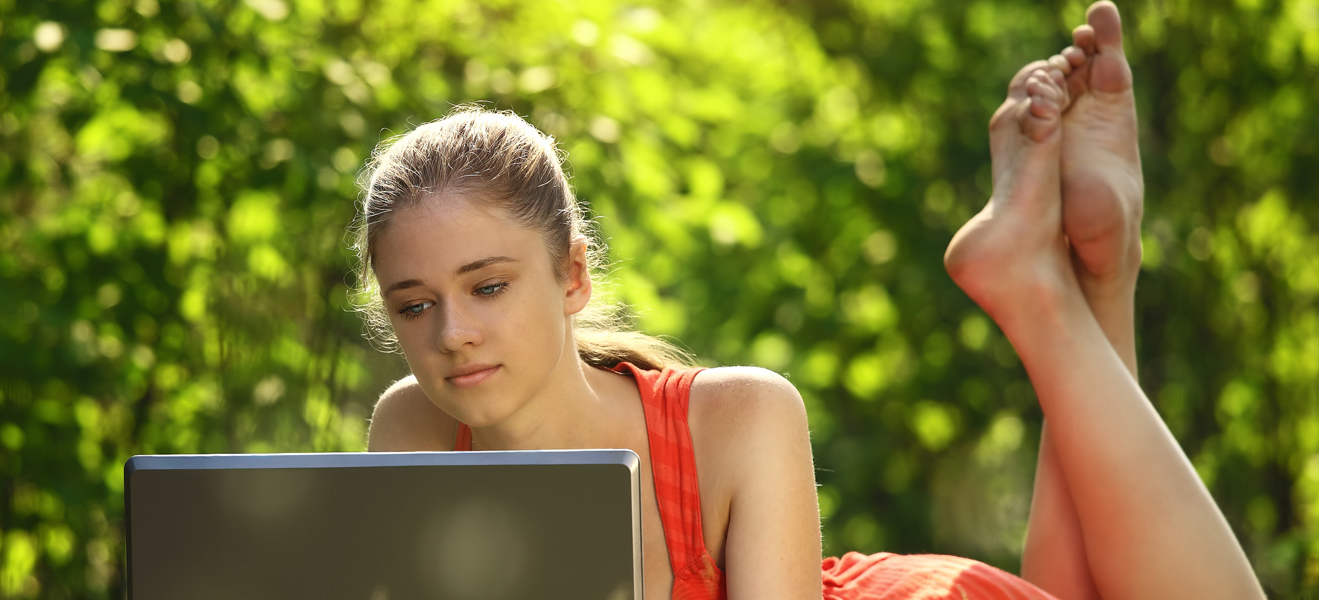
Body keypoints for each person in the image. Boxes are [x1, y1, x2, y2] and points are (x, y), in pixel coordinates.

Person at [358, 3, 1267, 598]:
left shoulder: (738, 415)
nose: (454, 334)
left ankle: (1050, 285)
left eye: (487, 285)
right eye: (414, 305)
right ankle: (1089, 277)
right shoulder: (413, 431)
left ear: (573, 276)